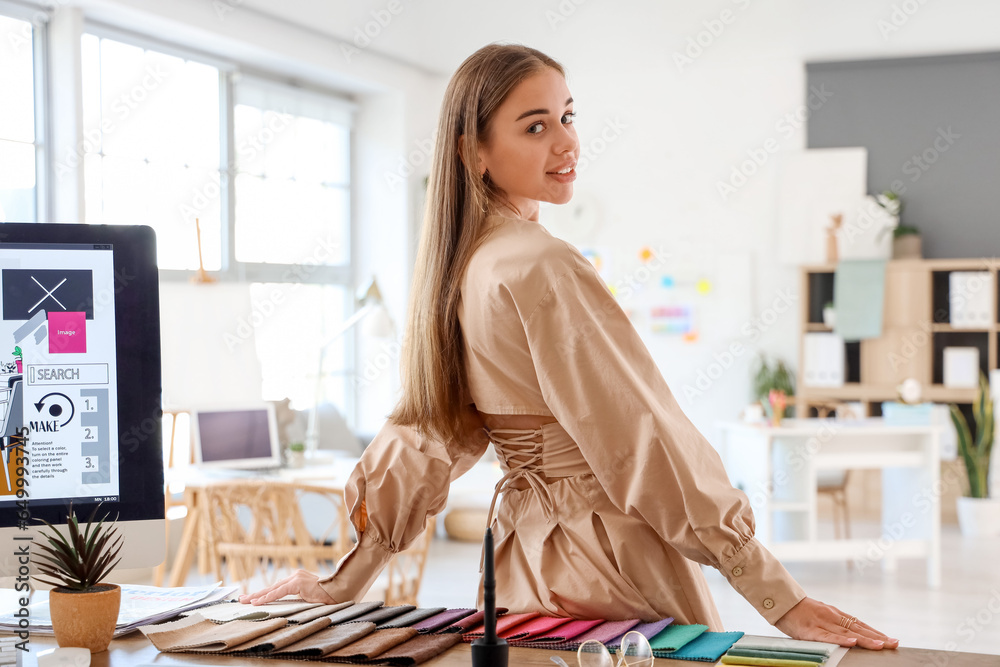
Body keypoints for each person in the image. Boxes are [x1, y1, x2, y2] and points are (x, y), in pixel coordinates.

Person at [240, 43, 898, 651]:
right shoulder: (540, 266)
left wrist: (345, 577)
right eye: (536, 125)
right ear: (474, 151)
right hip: (611, 560)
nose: (567, 141)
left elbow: (425, 431)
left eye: (567, 116)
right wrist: (775, 594)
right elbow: (643, 438)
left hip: (520, 563)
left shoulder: (460, 268)